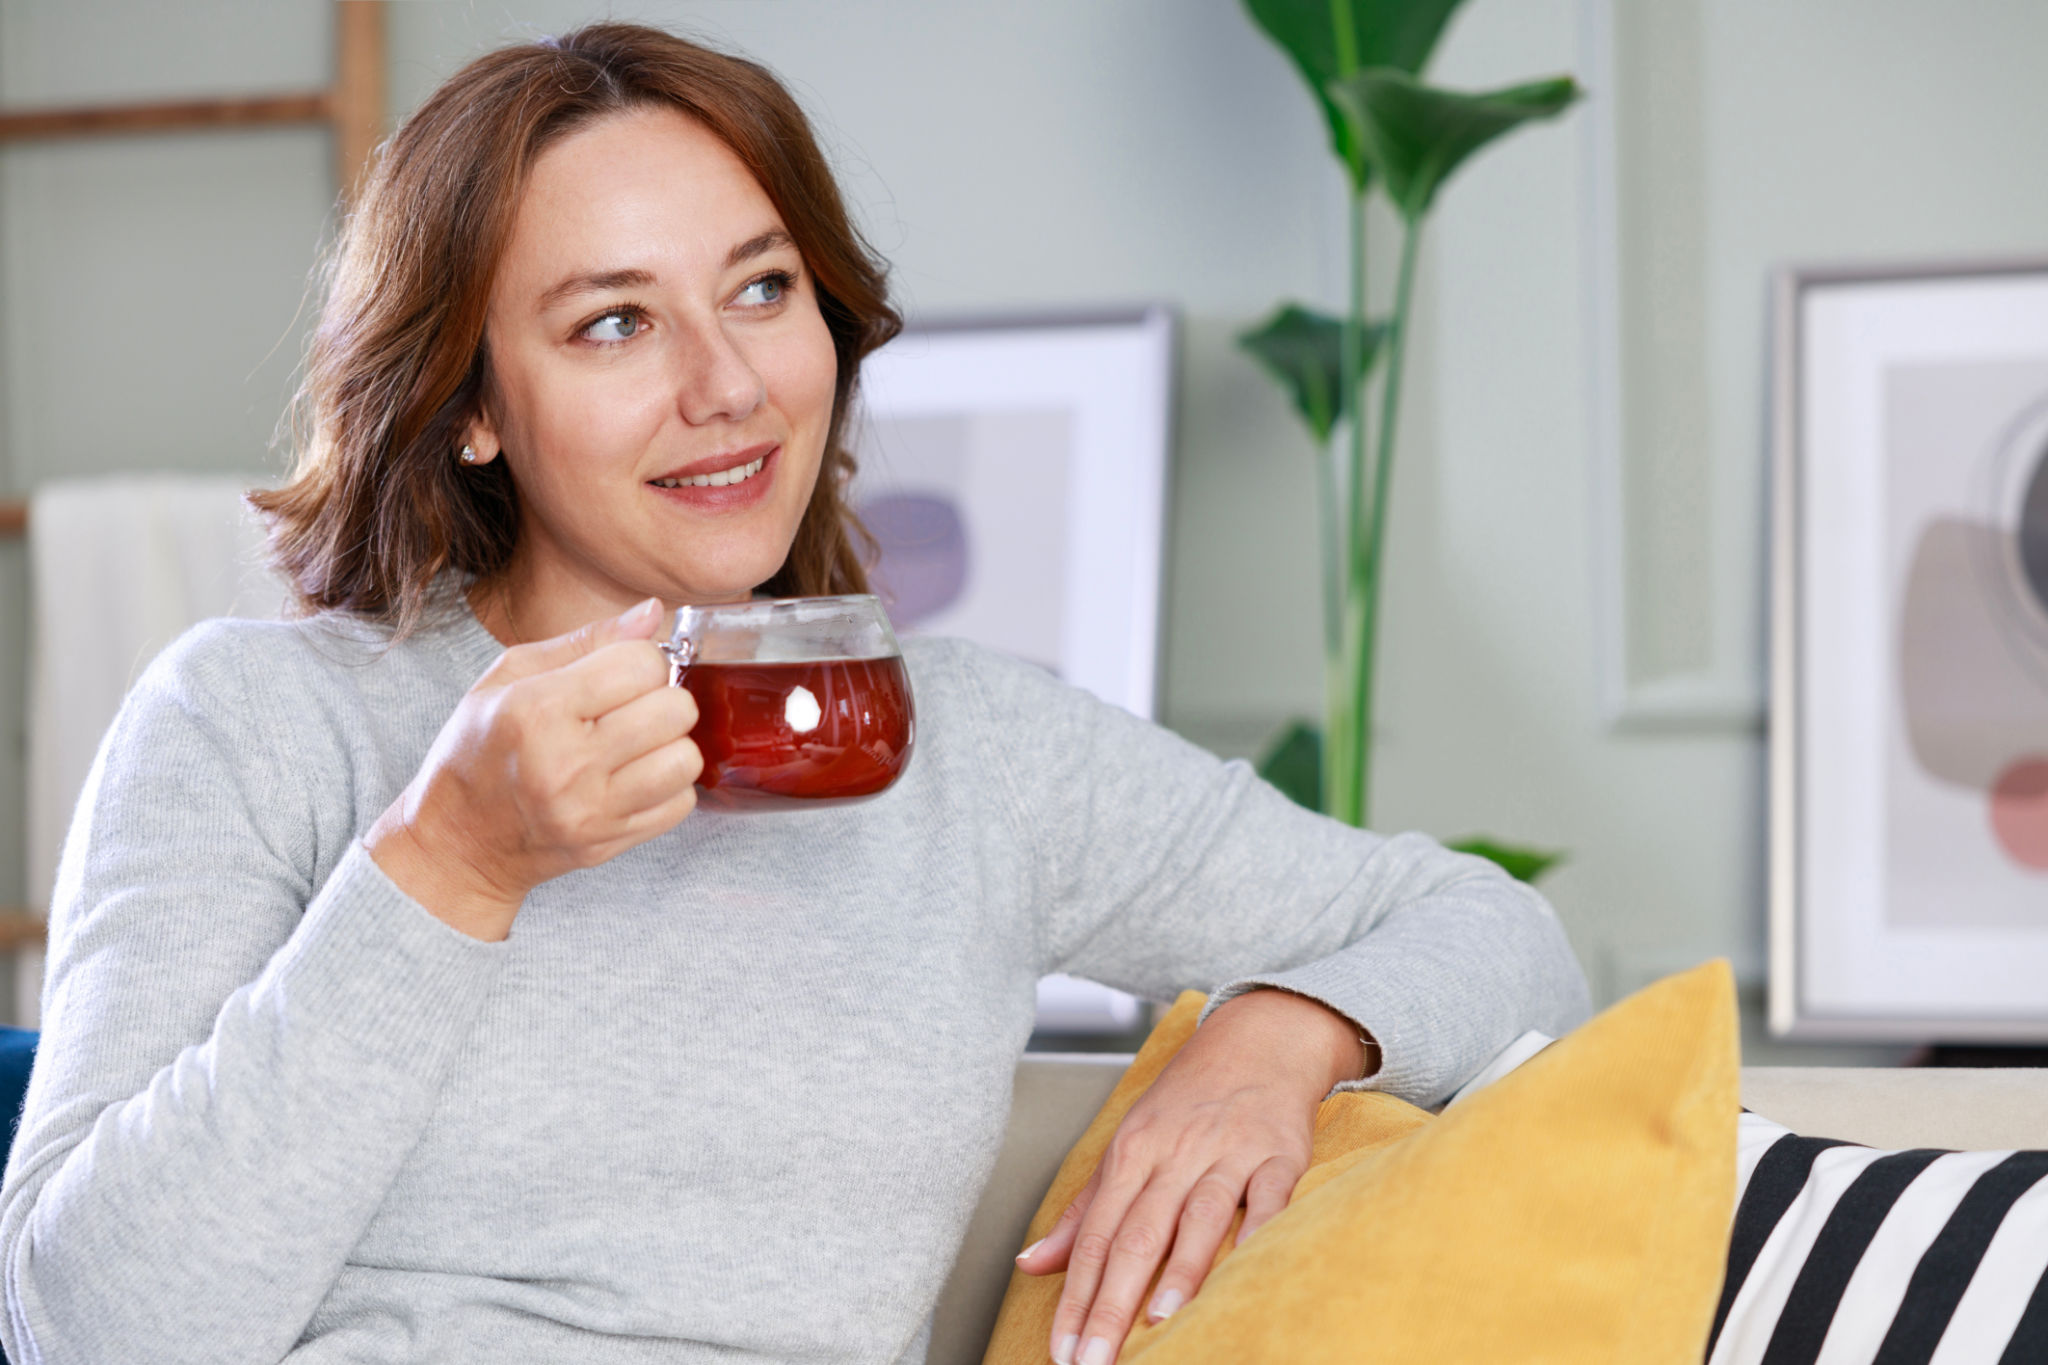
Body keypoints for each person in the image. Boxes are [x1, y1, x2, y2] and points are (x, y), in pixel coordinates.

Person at [0, 23, 1589, 1365]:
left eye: (761, 289)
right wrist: (449, 867)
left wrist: (1282, 1032)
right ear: (470, 405)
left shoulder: (969, 749)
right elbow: (89, 1330)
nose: (728, 384)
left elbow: (1504, 941)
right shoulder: (255, 722)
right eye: (614, 321)